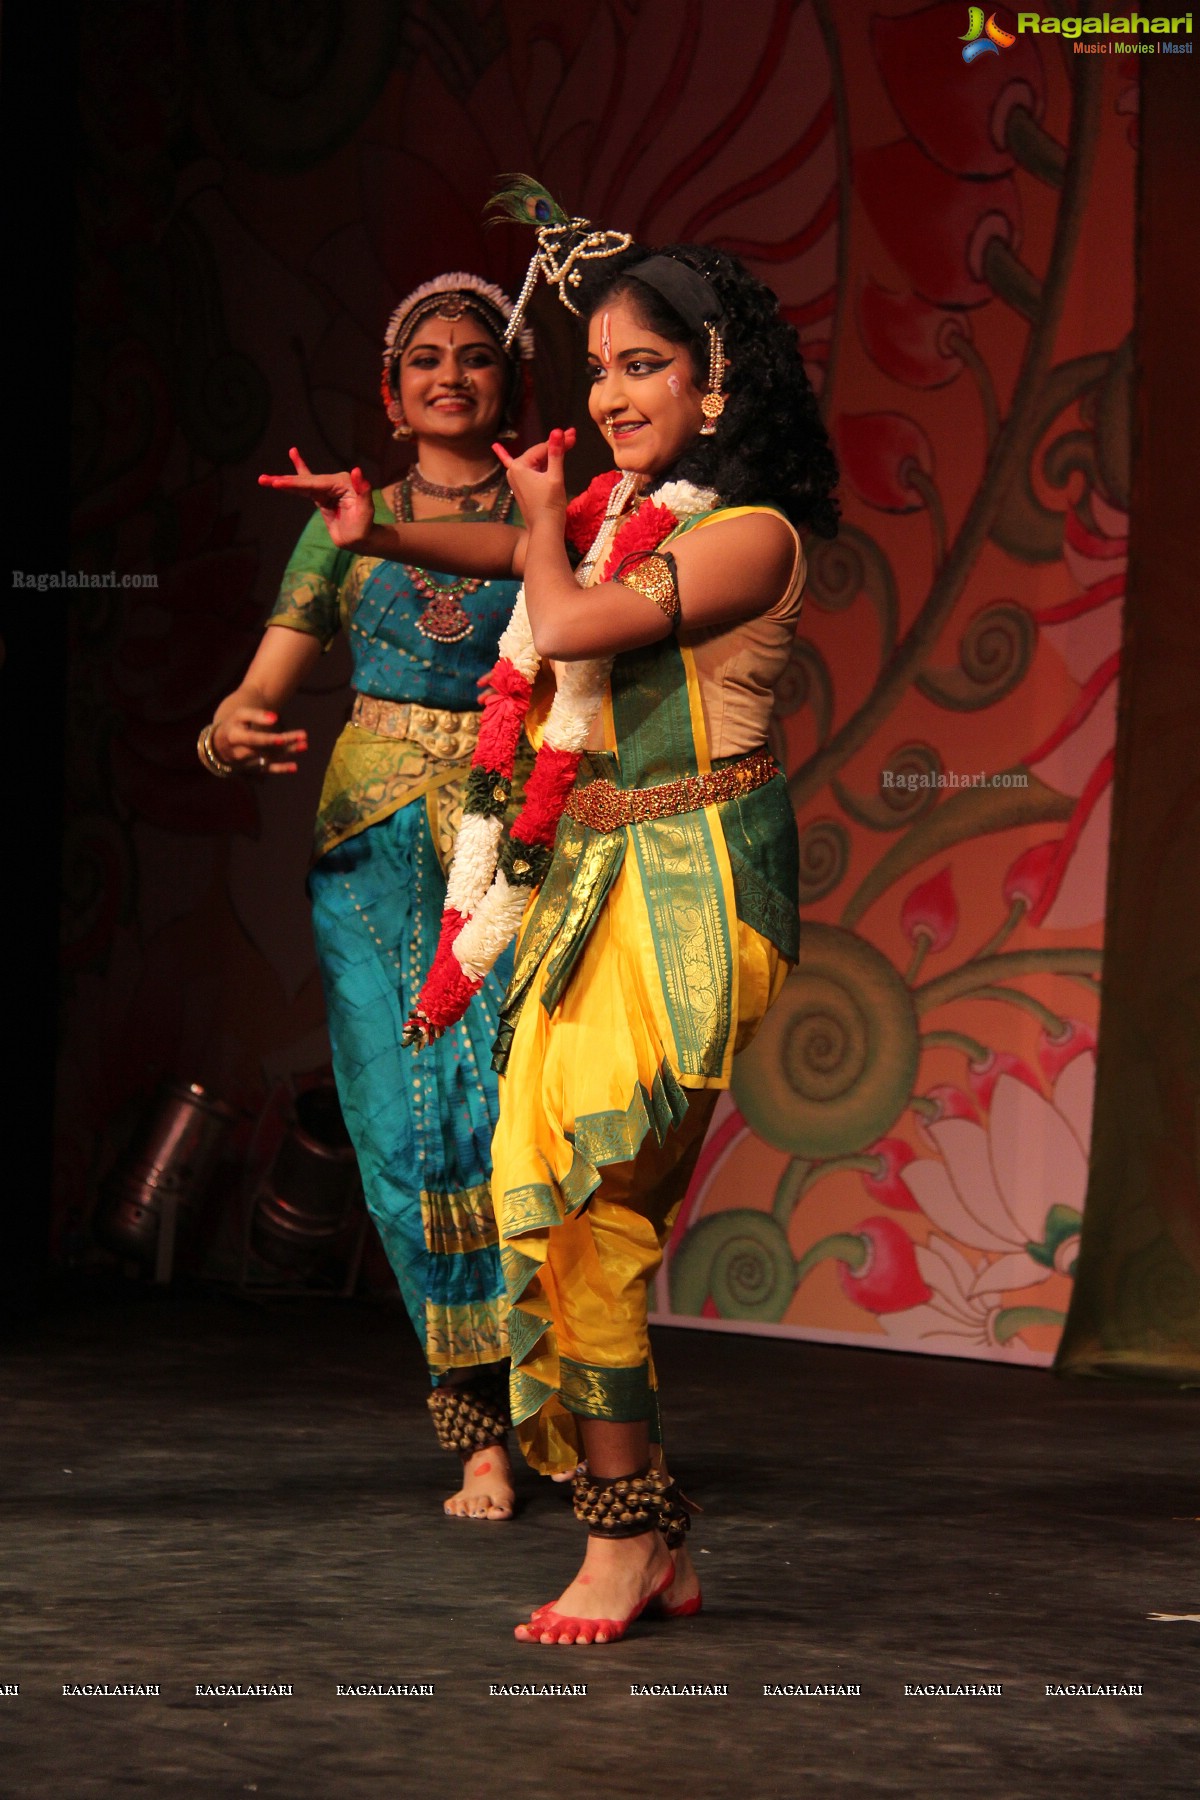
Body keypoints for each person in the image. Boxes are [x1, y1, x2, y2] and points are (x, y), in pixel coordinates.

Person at [261, 200, 839, 1640]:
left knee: (590, 1215)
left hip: (695, 897)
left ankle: (621, 1538)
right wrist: (374, 527)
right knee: (577, 1222)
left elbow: (567, 621)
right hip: (599, 885)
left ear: (717, 386)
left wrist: (529, 524)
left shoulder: (748, 537)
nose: (611, 395)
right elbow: (505, 566)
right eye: (597, 369)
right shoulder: (630, 519)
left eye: (645, 367)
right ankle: (652, 1536)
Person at [201, 273, 534, 1522]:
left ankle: (554, 1405)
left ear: (508, 388)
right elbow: (254, 696)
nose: (452, 374)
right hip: (374, 855)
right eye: (426, 361)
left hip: (511, 846)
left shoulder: (549, 514)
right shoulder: (344, 519)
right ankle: (475, 1431)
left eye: (477, 358)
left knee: (512, 1129)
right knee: (405, 1136)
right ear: (393, 398)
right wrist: (230, 736)